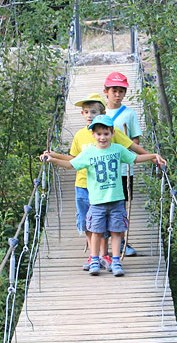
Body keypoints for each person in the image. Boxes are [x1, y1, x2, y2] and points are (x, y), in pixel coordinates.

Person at [44, 93, 163, 272]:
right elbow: (71, 162)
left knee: (114, 230)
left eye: (106, 134)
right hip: (92, 195)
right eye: (99, 134)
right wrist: (52, 158)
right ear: (93, 134)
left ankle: (112, 259)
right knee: (93, 227)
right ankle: (95, 259)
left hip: (115, 198)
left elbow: (134, 156)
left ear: (112, 133)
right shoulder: (86, 147)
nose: (102, 137)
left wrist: (153, 156)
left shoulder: (117, 148)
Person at [103, 71, 142, 256]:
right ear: (106, 91)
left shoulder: (129, 114)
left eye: (121, 91)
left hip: (123, 169)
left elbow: (135, 140)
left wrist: (128, 153)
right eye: (114, 90)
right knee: (102, 205)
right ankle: (102, 244)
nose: (117, 94)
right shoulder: (99, 112)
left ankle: (121, 242)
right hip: (103, 168)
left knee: (121, 206)